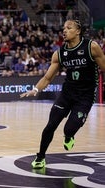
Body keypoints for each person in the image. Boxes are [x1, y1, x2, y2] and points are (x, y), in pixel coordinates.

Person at [20, 19, 105, 169]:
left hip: (85, 97)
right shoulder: (60, 53)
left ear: (78, 31)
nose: (64, 31)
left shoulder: (91, 47)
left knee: (69, 129)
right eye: (63, 28)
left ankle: (69, 136)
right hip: (67, 94)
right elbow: (48, 78)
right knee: (50, 126)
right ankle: (40, 157)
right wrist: (35, 89)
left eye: (69, 28)